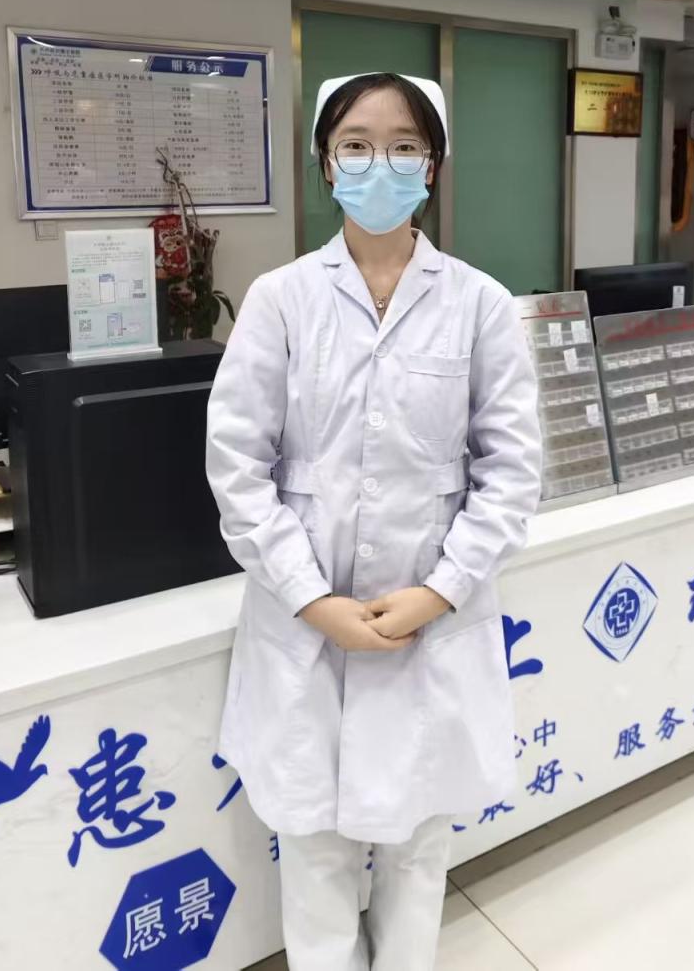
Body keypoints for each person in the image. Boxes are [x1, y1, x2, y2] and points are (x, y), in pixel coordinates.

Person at [207, 71, 542, 971]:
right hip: (303, 624)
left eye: (403, 146)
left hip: (429, 626)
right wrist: (312, 600)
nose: (378, 165)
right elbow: (237, 468)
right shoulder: (281, 299)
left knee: (417, 846)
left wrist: (440, 590)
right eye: (356, 145)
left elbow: (512, 473)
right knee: (312, 845)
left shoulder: (479, 303)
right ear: (326, 164)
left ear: (433, 165)